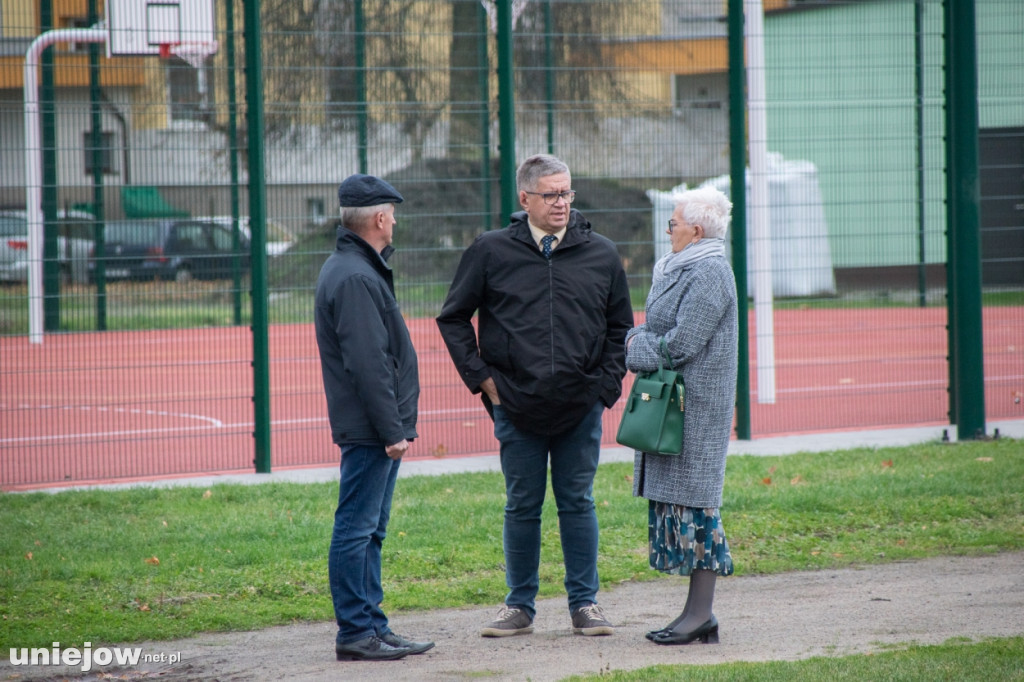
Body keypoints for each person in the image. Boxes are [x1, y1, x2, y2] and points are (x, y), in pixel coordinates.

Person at [436, 154, 634, 638]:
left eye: (567, 193)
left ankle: (584, 604)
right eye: (551, 195)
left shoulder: (602, 254)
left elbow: (620, 329)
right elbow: (453, 317)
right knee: (521, 505)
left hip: (580, 405)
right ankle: (518, 605)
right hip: (515, 405)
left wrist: (603, 390)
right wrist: (484, 382)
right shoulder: (490, 251)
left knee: (577, 502)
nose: (562, 203)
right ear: (525, 199)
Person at [315, 173, 434, 661]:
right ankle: (356, 632)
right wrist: (392, 430)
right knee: (357, 528)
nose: (396, 221)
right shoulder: (357, 276)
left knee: (370, 529)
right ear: (381, 218)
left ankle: (372, 626)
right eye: (393, 213)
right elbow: (369, 364)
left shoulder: (356, 268)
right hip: (371, 430)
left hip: (374, 427)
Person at [624, 184, 738, 646]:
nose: (667, 228)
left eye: (672, 222)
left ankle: (701, 614)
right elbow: (660, 332)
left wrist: (634, 346)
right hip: (673, 401)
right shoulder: (677, 266)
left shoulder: (710, 271)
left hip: (696, 409)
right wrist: (645, 340)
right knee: (683, 504)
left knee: (699, 506)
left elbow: (683, 343)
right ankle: (694, 614)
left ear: (695, 228)